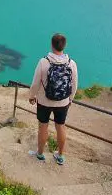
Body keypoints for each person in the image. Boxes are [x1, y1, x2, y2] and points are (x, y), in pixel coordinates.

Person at [28, 33, 78, 166]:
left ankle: (40, 154)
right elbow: (74, 84)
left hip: (44, 101)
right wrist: (70, 99)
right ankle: (60, 156)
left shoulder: (44, 62)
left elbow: (35, 84)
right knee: (60, 127)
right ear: (64, 46)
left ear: (51, 44)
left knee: (43, 126)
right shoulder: (71, 63)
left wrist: (32, 96)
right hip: (63, 102)